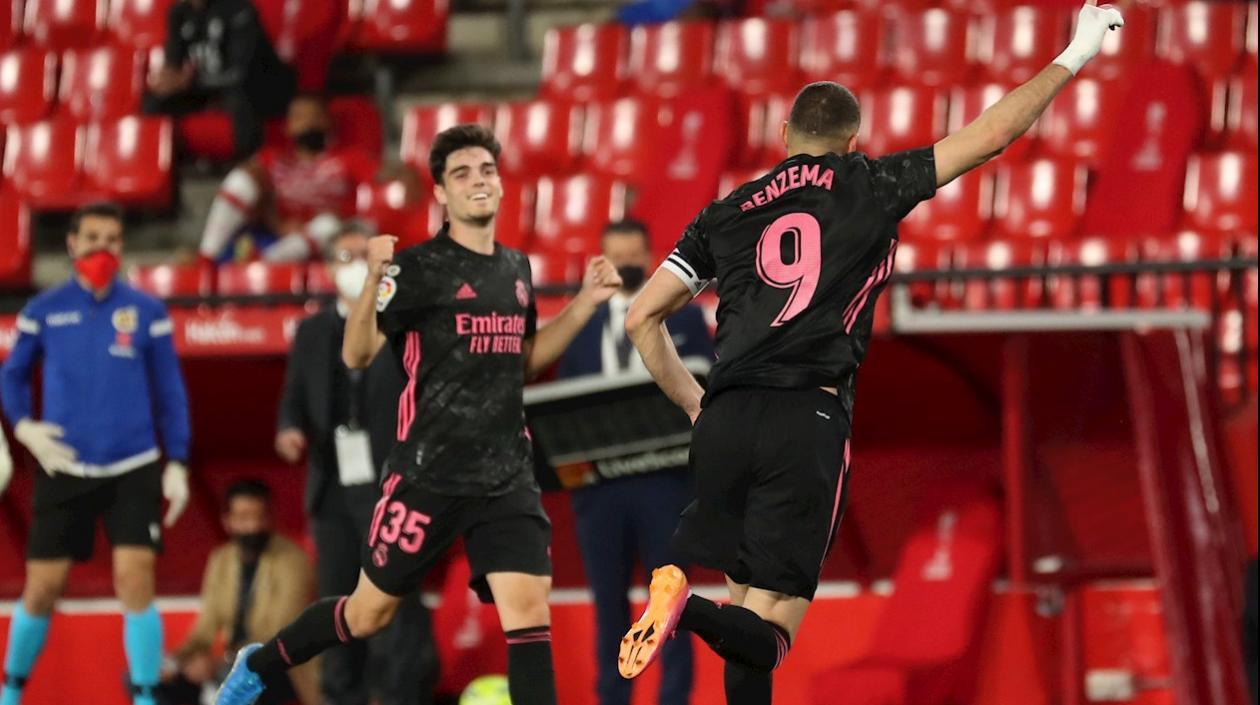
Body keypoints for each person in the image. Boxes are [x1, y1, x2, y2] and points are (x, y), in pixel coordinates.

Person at [616, 3, 1126, 704]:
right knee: (773, 628)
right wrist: (1077, 53)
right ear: (851, 140)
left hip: (727, 417)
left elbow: (641, 317)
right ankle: (686, 609)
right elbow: (992, 135)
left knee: (747, 608)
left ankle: (695, 607)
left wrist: (696, 404)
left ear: (784, 136)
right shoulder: (870, 184)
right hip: (805, 417)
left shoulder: (726, 212)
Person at [214, 123, 623, 705]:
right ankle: (260, 662)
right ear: (440, 192)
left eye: (486, 170)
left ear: (500, 184)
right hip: (428, 470)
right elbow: (357, 354)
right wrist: (373, 279)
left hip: (506, 474)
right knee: (368, 613)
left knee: (529, 613)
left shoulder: (516, 268)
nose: (478, 181)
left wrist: (583, 304)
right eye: (462, 173)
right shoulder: (417, 269)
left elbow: (523, 362)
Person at [0, 202, 193, 705]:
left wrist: (177, 460)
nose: (101, 249)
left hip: (133, 466)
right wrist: (24, 427)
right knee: (41, 588)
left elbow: (169, 390)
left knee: (136, 581)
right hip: (64, 465)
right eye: (91, 238)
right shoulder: (43, 309)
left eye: (111, 239)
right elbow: (11, 375)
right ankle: (9, 694)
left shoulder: (147, 311)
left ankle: (146, 697)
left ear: (121, 246)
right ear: (72, 243)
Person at [275, 221, 440, 705]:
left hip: (391, 483)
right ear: (327, 268)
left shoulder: (404, 325)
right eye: (343, 258)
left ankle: (399, 696)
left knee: (392, 601)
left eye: (361, 257)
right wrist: (288, 429)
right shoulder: (311, 331)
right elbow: (294, 398)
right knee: (336, 600)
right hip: (332, 486)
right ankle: (341, 695)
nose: (352, 268)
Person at [556, 219, 712, 705]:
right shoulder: (577, 327)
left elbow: (705, 389)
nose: (624, 264)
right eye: (615, 256)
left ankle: (674, 698)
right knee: (608, 603)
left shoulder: (684, 318)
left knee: (672, 603)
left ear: (649, 257)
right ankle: (612, 697)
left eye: (632, 255)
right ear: (600, 260)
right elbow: (566, 405)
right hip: (601, 491)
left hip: (665, 484)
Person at [161, 480, 319, 705]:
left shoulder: (293, 560)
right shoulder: (221, 559)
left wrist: (220, 662)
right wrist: (175, 661)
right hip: (229, 664)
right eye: (244, 518)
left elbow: (280, 635)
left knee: (229, 676)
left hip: (280, 666)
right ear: (228, 521)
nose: (253, 526)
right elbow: (204, 628)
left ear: (271, 518)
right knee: (149, 681)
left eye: (260, 517)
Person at [199, 94, 380, 264]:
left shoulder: (350, 158)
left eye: (315, 117)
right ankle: (206, 259)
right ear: (287, 126)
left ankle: (265, 263)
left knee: (327, 225)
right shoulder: (272, 158)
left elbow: (378, 188)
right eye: (300, 117)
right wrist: (277, 224)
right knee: (240, 182)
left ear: (328, 121)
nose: (308, 123)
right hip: (276, 234)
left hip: (328, 241)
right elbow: (250, 184)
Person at [143, 0, 297, 161]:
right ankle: (159, 167)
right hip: (208, 84)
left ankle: (249, 165)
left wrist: (188, 81)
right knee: (154, 102)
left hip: (258, 83)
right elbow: (173, 63)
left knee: (241, 99)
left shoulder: (239, 8)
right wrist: (168, 79)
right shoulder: (178, 12)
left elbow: (240, 71)